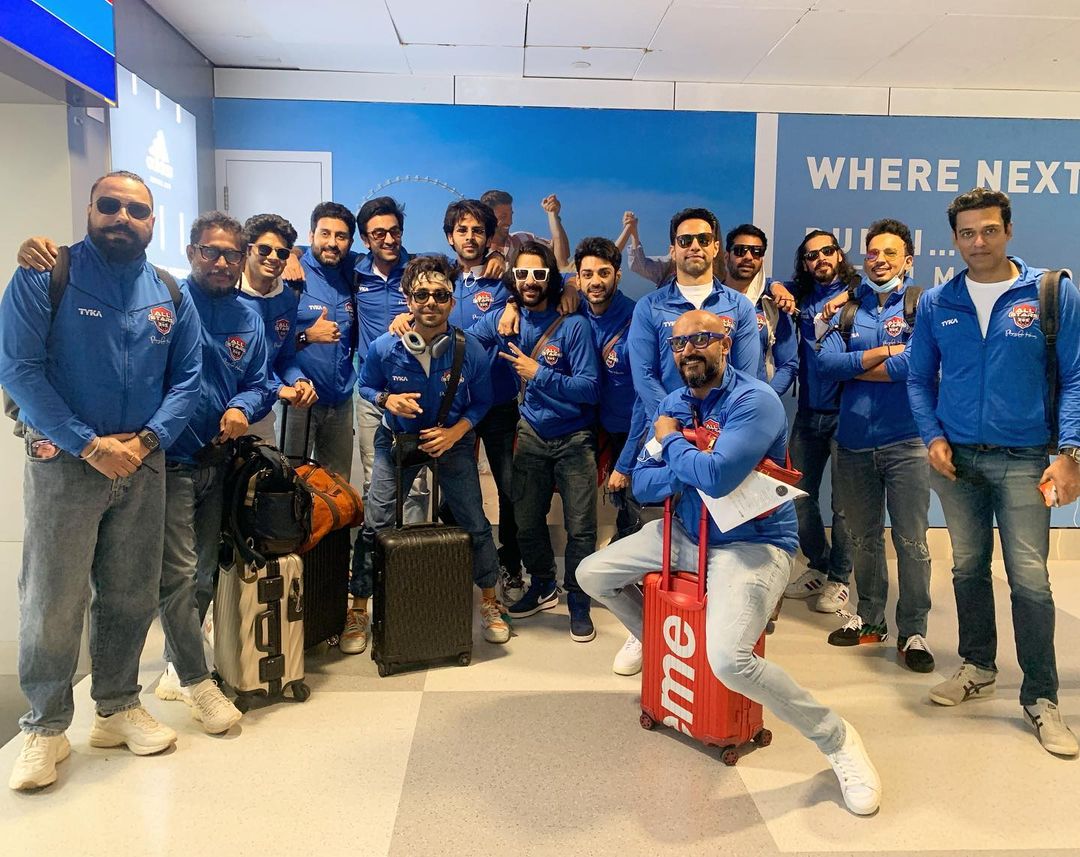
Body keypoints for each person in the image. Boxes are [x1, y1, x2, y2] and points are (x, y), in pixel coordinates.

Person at [577, 309, 881, 816]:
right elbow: (645, 486)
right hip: (683, 531)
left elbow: (717, 480)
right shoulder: (673, 403)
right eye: (679, 344)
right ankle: (656, 641)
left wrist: (673, 443)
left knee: (730, 660)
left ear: (726, 342)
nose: (688, 351)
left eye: (701, 339)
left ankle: (838, 739)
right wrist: (692, 464)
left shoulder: (755, 401)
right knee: (592, 574)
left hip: (752, 543)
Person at [0, 171, 202, 790]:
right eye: (109, 205)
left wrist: (144, 442)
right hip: (66, 464)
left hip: (141, 464)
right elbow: (19, 370)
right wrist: (87, 445)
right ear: (90, 209)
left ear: (152, 221)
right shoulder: (45, 275)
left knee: (130, 593)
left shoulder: (169, 291)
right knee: (53, 598)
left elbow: (187, 378)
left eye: (136, 210)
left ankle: (116, 708)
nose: (122, 218)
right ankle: (45, 726)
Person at [908, 187, 1080, 756]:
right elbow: (918, 379)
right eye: (967, 233)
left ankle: (1041, 698)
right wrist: (932, 436)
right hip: (957, 461)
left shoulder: (1051, 292)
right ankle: (978, 665)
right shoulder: (937, 302)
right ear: (954, 239)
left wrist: (1071, 452)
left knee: (1029, 578)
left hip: (1026, 460)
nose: (978, 242)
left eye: (988, 230)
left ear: (1008, 230)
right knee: (967, 566)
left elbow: (1076, 377)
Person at [355, 254, 510, 644]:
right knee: (375, 523)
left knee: (475, 522)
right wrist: (386, 400)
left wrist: (456, 432)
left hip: (450, 443)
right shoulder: (384, 347)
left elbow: (483, 402)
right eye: (421, 295)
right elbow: (366, 385)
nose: (430, 303)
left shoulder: (469, 350)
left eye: (440, 296)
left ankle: (489, 601)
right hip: (397, 441)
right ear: (408, 300)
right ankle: (357, 608)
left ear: (451, 302)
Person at [815, 219, 934, 671]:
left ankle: (914, 631)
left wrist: (856, 366)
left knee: (911, 540)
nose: (879, 260)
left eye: (890, 253)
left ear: (907, 260)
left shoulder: (922, 305)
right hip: (853, 443)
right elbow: (826, 364)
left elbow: (916, 366)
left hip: (907, 443)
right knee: (862, 538)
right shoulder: (848, 309)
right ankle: (870, 620)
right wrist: (884, 353)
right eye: (872, 253)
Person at [471, 242, 601, 641]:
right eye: (522, 274)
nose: (530, 281)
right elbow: (461, 340)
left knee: (581, 528)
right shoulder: (505, 318)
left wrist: (537, 373)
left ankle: (578, 599)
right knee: (525, 521)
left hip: (575, 437)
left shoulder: (574, 325)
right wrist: (406, 323)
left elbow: (590, 388)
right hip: (531, 434)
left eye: (539, 274)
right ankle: (543, 584)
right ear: (513, 278)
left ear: (551, 278)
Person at [778, 230, 856, 614]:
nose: (820, 258)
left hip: (848, 414)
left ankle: (839, 579)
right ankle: (820, 565)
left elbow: (871, 286)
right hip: (809, 412)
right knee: (796, 496)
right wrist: (780, 289)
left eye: (827, 251)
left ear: (839, 254)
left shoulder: (859, 294)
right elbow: (775, 285)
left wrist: (847, 296)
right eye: (812, 255)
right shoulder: (804, 295)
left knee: (844, 505)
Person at [627, 207, 761, 429]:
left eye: (704, 239)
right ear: (673, 250)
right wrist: (679, 422)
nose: (695, 246)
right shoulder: (649, 307)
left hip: (723, 431)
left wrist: (714, 427)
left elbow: (745, 377)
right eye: (685, 241)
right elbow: (644, 376)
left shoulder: (740, 306)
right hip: (665, 427)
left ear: (715, 248)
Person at [283, 202, 358, 479]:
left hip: (341, 404)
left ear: (350, 242)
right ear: (311, 235)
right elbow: (271, 346)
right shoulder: (291, 277)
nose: (332, 243)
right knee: (291, 483)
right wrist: (308, 336)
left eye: (341, 236)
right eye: (325, 234)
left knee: (338, 487)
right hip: (300, 400)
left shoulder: (351, 274)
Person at [237, 213, 317, 443]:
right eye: (264, 250)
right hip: (223, 413)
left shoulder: (287, 299)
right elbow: (233, 365)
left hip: (261, 417)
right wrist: (278, 389)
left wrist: (299, 381)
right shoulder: (228, 294)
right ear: (248, 250)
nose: (273, 258)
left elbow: (285, 357)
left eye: (282, 253)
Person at [720, 224, 798, 396]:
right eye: (740, 250)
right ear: (726, 256)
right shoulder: (710, 300)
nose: (748, 257)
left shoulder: (772, 305)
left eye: (757, 252)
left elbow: (788, 364)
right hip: (713, 405)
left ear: (762, 259)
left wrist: (764, 398)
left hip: (755, 402)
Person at [480, 188, 570, 270]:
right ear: (488, 217)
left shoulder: (524, 239)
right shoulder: (477, 250)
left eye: (511, 215)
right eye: (503, 216)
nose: (510, 222)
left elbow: (563, 254)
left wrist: (554, 216)